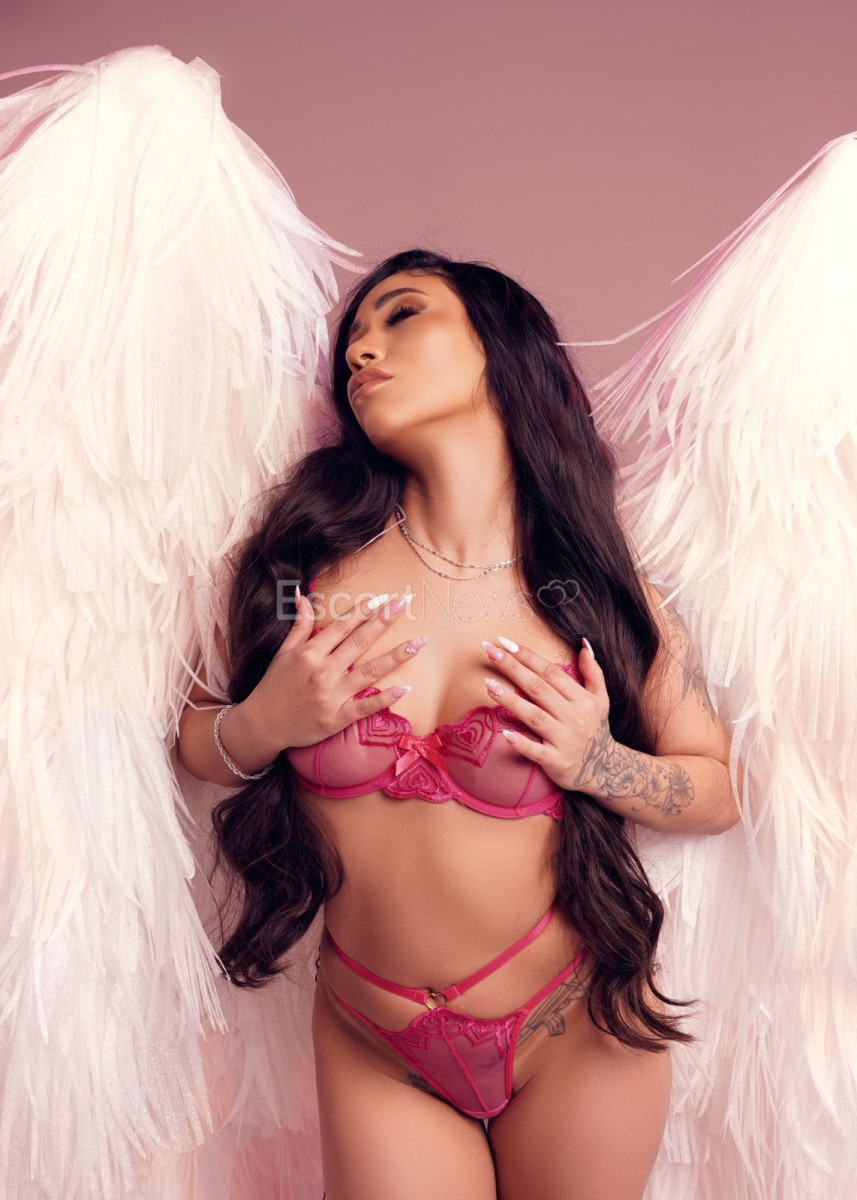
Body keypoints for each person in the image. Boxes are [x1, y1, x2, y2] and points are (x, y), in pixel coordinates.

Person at [176, 248, 740, 1200]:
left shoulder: (596, 591)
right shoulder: (293, 571)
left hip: (575, 1028)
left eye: (401, 316)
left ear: (498, 350)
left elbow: (716, 788)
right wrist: (265, 722)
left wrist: (599, 762)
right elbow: (195, 743)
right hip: (374, 1039)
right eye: (352, 340)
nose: (362, 351)